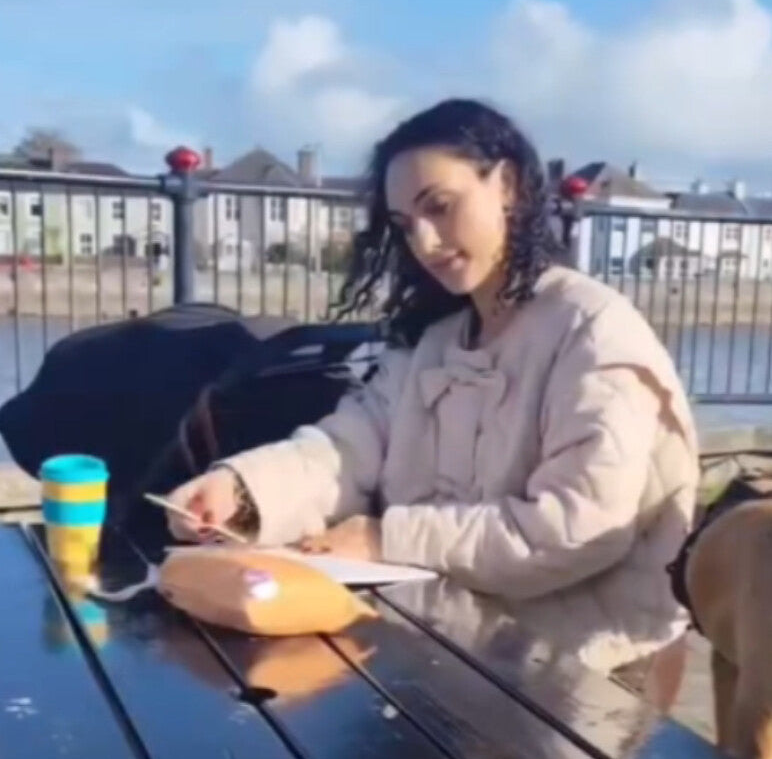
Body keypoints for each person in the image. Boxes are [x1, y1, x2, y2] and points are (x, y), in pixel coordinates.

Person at [166, 98, 700, 681]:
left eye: (440, 208)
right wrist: (243, 492)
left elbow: (579, 528)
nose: (423, 241)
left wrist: (384, 537)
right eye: (403, 225)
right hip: (448, 637)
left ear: (509, 185)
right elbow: (348, 447)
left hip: (589, 664)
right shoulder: (436, 338)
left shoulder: (591, 330)